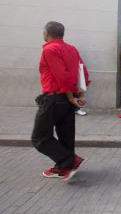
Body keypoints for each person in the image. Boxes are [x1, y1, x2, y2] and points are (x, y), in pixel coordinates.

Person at [31, 21, 89, 180]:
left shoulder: (50, 49)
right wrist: (80, 95)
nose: (42, 34)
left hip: (55, 98)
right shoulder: (71, 49)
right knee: (66, 136)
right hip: (67, 99)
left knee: (39, 137)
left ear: (47, 33)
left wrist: (72, 97)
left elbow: (62, 77)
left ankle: (69, 160)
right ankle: (64, 168)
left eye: (43, 31)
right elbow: (82, 71)